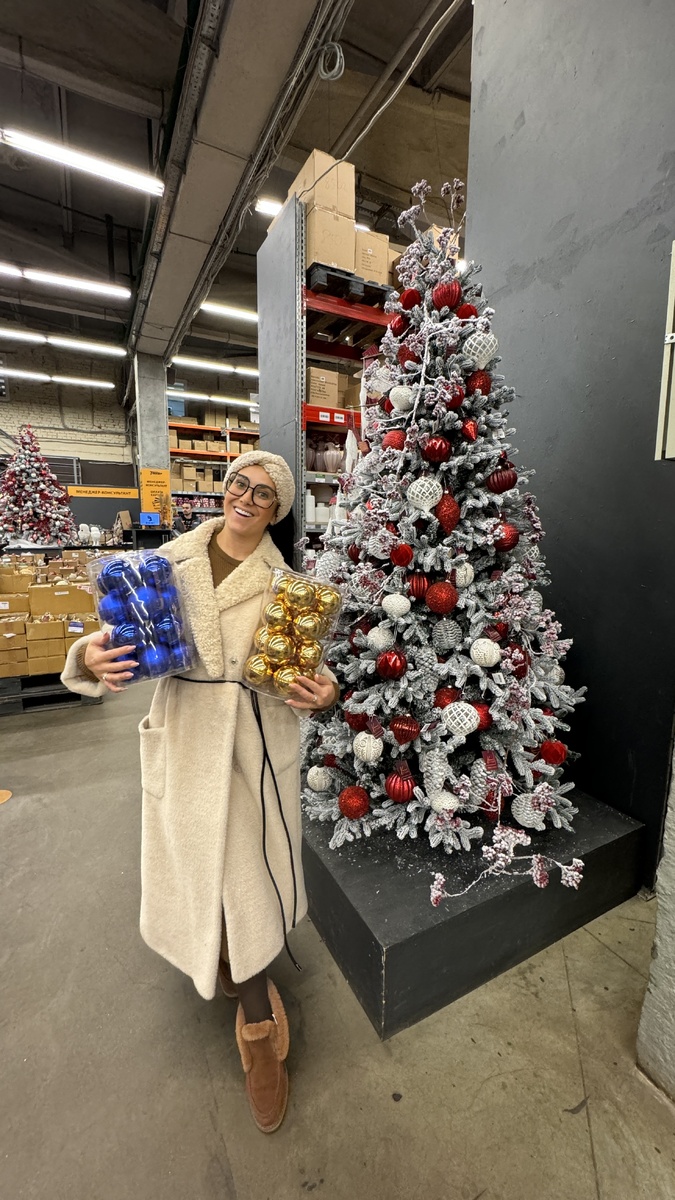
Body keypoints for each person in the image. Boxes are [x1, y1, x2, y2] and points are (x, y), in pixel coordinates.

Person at [61, 451, 339, 1134]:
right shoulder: (163, 562)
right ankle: (226, 960)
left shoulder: (285, 583)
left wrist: (324, 693)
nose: (246, 497)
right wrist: (89, 659)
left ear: (277, 510)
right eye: (239, 483)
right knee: (200, 873)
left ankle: (256, 1028)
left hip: (251, 746)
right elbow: (113, 638)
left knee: (243, 882)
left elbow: (307, 664)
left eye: (264, 493)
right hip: (185, 737)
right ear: (225, 489)